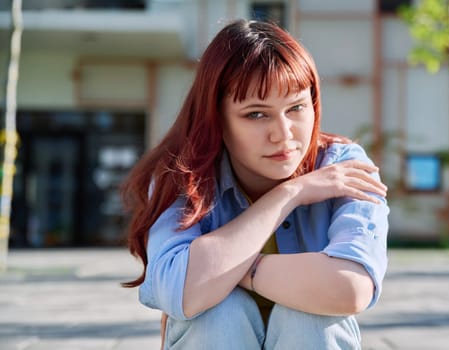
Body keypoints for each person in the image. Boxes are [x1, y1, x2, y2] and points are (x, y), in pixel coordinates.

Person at [121, 19, 389, 350]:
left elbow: (350, 289)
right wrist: (290, 194)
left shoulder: (342, 167)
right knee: (217, 314)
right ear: (216, 118)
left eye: (296, 108)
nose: (283, 134)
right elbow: (181, 292)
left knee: (310, 317)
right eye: (256, 114)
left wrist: (232, 270)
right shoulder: (181, 173)